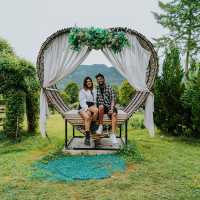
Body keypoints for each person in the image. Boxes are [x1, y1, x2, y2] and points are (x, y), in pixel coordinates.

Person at [95, 73, 118, 145]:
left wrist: (111, 109)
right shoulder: (96, 89)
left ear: (103, 79)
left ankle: (113, 135)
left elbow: (113, 99)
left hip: (109, 106)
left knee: (114, 114)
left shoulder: (109, 87)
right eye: (98, 80)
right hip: (101, 108)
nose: (99, 80)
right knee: (101, 106)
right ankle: (101, 126)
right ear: (97, 81)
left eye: (100, 79)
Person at [79, 76, 99, 145]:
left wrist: (93, 107)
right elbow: (82, 102)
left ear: (91, 82)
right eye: (87, 81)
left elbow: (95, 101)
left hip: (92, 105)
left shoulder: (94, 90)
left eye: (90, 81)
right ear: (85, 83)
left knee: (94, 112)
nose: (89, 82)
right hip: (84, 106)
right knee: (88, 116)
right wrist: (87, 109)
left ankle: (90, 131)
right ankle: (89, 135)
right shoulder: (82, 91)